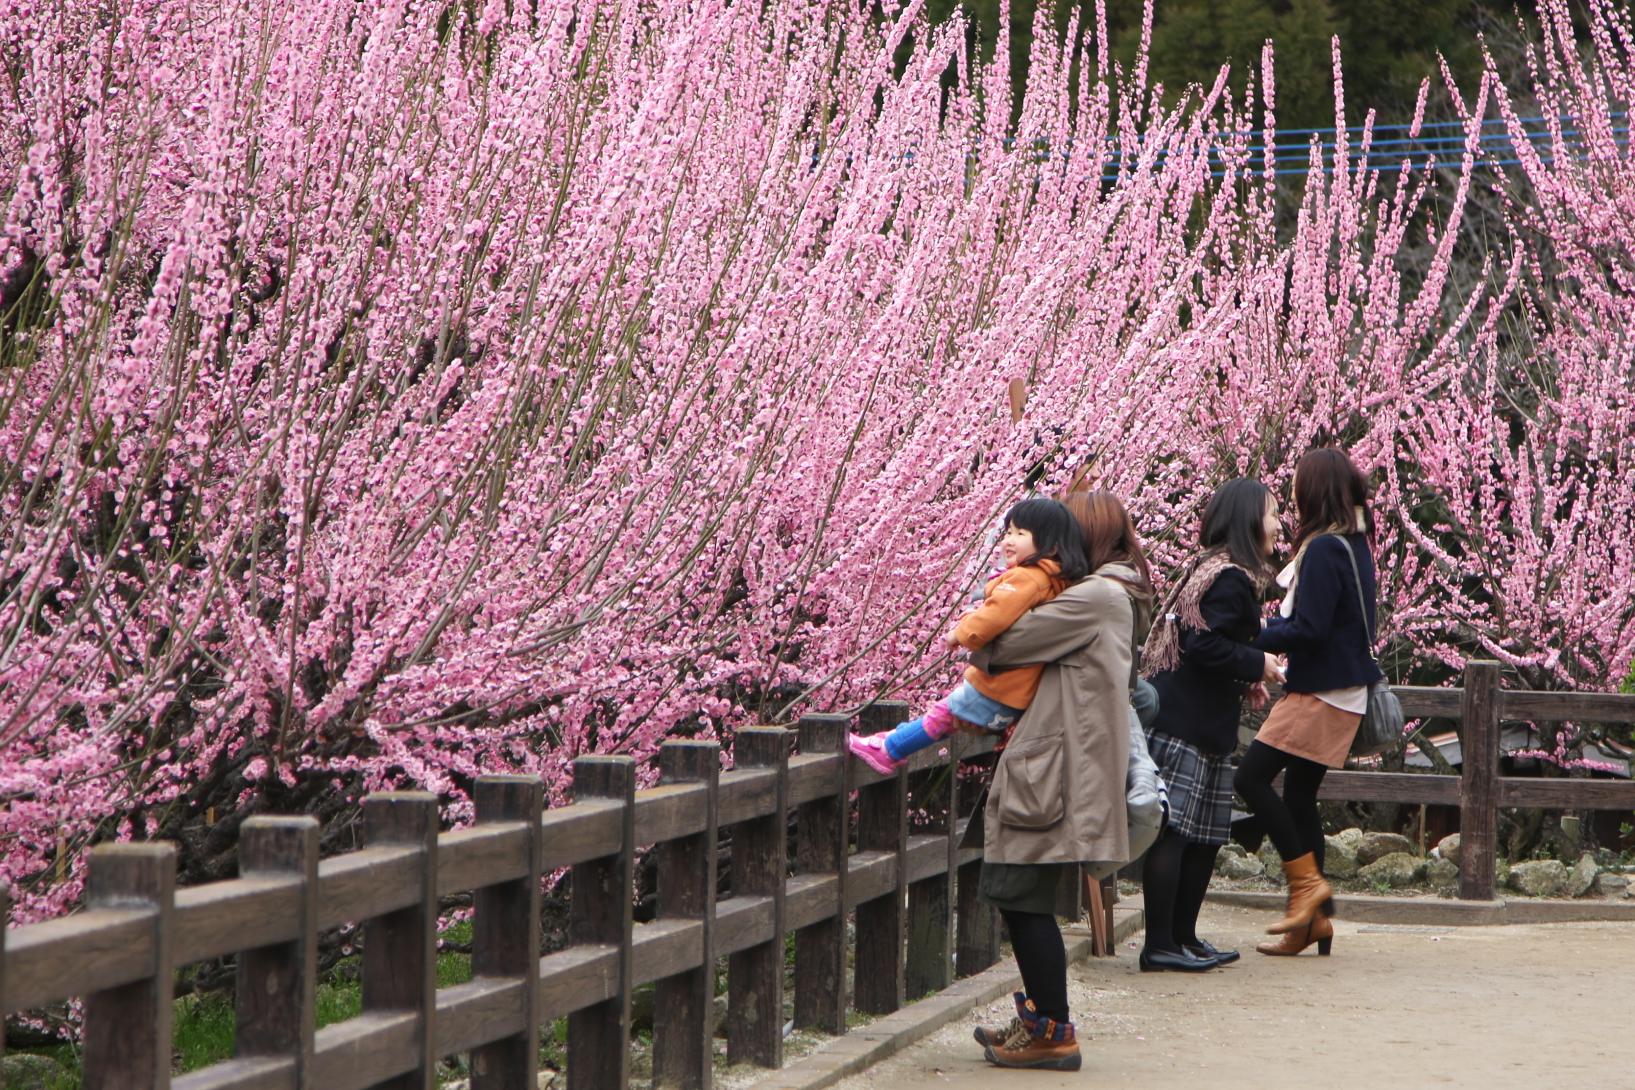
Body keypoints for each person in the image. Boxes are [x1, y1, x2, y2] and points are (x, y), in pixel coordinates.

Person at [962, 490, 1151, 1071]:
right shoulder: (1106, 595)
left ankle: (1051, 1032)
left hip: (1053, 770)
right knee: (1024, 894)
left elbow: (1001, 642)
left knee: (1021, 893)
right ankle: (1042, 1022)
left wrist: (995, 600)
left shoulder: (1095, 596)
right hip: (1059, 766)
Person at [1234, 447, 1382, 957]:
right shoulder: (1354, 542)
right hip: (1341, 689)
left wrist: (1250, 636)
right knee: (1298, 799)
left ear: (1314, 488)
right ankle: (1312, 923)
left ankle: (1307, 890)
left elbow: (1310, 628)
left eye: (1298, 482)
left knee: (1249, 778)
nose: (1292, 491)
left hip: (1321, 690)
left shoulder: (1322, 549)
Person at [1136, 479, 1284, 971]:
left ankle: (1183, 938)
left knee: (1201, 836)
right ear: (1247, 520)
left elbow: (1207, 646)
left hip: (1196, 719)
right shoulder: (1229, 578)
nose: (1279, 524)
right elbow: (1203, 645)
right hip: (1187, 725)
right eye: (1271, 514)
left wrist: (1244, 675)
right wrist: (1256, 663)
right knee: (1176, 833)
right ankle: (1160, 945)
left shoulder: (1212, 569)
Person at [848, 498, 1088, 774]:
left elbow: (994, 617)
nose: (1009, 540)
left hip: (999, 686)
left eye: (1021, 534)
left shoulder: (1027, 578)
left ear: (1052, 546)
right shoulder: (1053, 580)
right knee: (946, 717)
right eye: (1008, 532)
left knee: (943, 716)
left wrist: (960, 633)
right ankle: (892, 739)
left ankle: (890, 750)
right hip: (1015, 688)